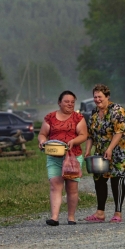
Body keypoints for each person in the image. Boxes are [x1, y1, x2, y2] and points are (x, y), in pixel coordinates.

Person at [84, 84, 125, 223]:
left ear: (107, 96)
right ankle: (100, 213)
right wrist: (87, 150)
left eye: (100, 97)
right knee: (99, 179)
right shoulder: (94, 113)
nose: (97, 99)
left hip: (120, 149)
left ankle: (117, 213)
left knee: (117, 179)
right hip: (102, 150)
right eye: (95, 97)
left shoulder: (118, 110)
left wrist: (110, 149)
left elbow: (119, 132)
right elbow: (90, 134)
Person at [38, 90, 88, 226]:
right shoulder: (50, 117)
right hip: (54, 156)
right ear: (59, 103)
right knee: (55, 184)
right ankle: (54, 217)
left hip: (72, 157)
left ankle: (71, 217)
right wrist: (42, 141)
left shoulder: (78, 118)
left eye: (72, 102)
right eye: (66, 102)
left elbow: (83, 134)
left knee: (72, 188)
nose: (70, 104)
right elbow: (42, 134)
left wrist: (74, 141)